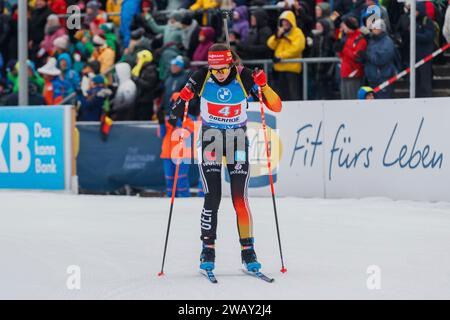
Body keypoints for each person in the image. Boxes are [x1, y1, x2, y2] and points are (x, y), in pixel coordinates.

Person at [168, 43, 282, 273]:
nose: (218, 74)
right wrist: (184, 96)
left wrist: (264, 85)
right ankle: (207, 249)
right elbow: (176, 112)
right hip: (211, 138)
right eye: (214, 69)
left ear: (231, 64)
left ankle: (248, 252)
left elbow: (276, 106)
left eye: (222, 69)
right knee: (212, 198)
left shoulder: (244, 76)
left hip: (236, 139)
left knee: (240, 199)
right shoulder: (201, 75)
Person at [267, 10, 306, 101]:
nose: (285, 24)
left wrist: (281, 56)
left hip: (292, 70)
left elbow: (297, 48)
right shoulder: (280, 33)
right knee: (281, 95)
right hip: (280, 70)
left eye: (287, 21)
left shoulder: (297, 32)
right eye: (283, 21)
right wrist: (277, 36)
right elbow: (270, 44)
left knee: (293, 95)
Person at [333, 15, 367, 100]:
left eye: (343, 25)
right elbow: (343, 56)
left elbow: (357, 57)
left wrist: (344, 49)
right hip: (345, 73)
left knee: (352, 99)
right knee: (345, 99)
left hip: (354, 74)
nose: (342, 27)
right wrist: (340, 50)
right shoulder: (347, 38)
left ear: (349, 26)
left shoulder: (360, 39)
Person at [361, 19, 396, 99]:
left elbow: (381, 59)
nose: (373, 30)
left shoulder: (387, 42)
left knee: (383, 102)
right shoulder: (373, 40)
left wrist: (367, 56)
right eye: (372, 28)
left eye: (375, 28)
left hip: (382, 77)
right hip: (372, 77)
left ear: (381, 29)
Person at [131, 49, 159, 120]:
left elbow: (149, 85)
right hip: (140, 100)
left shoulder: (150, 70)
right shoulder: (142, 69)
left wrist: (136, 79)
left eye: (138, 58)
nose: (136, 61)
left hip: (146, 101)